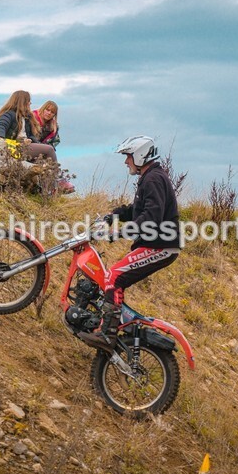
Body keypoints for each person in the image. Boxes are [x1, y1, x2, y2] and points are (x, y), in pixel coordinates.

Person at [78, 136, 180, 352]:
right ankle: (111, 324)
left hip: (161, 246)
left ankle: (108, 334)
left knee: (113, 276)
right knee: (114, 278)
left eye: (128, 156)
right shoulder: (150, 177)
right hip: (157, 244)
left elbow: (151, 217)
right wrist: (114, 215)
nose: (126, 162)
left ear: (140, 155)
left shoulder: (152, 179)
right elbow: (138, 209)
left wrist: (121, 231)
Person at [0, 91, 57, 163]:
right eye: (28, 101)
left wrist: (32, 141)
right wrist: (1, 139)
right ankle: (57, 173)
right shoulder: (9, 114)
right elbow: (1, 126)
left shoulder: (27, 118)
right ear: (22, 102)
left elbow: (31, 135)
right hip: (14, 147)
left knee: (43, 160)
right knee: (49, 150)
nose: (30, 103)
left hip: (25, 145)